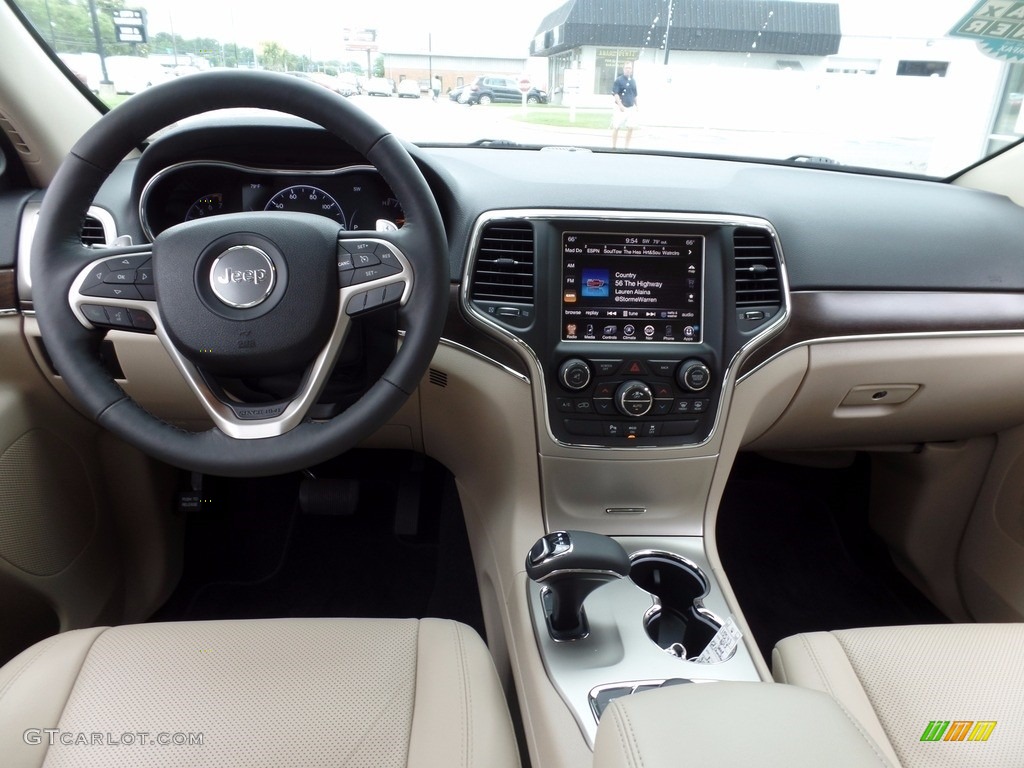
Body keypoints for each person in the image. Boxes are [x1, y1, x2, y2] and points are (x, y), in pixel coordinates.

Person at [611, 62, 639, 149]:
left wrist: (637, 105)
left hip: (631, 108)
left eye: (629, 68)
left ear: (632, 69)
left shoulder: (633, 81)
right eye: (626, 68)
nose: (628, 69)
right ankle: (614, 147)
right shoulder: (619, 80)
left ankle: (626, 147)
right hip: (621, 108)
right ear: (623, 69)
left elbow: (634, 95)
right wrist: (620, 105)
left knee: (631, 127)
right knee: (616, 127)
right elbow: (615, 94)